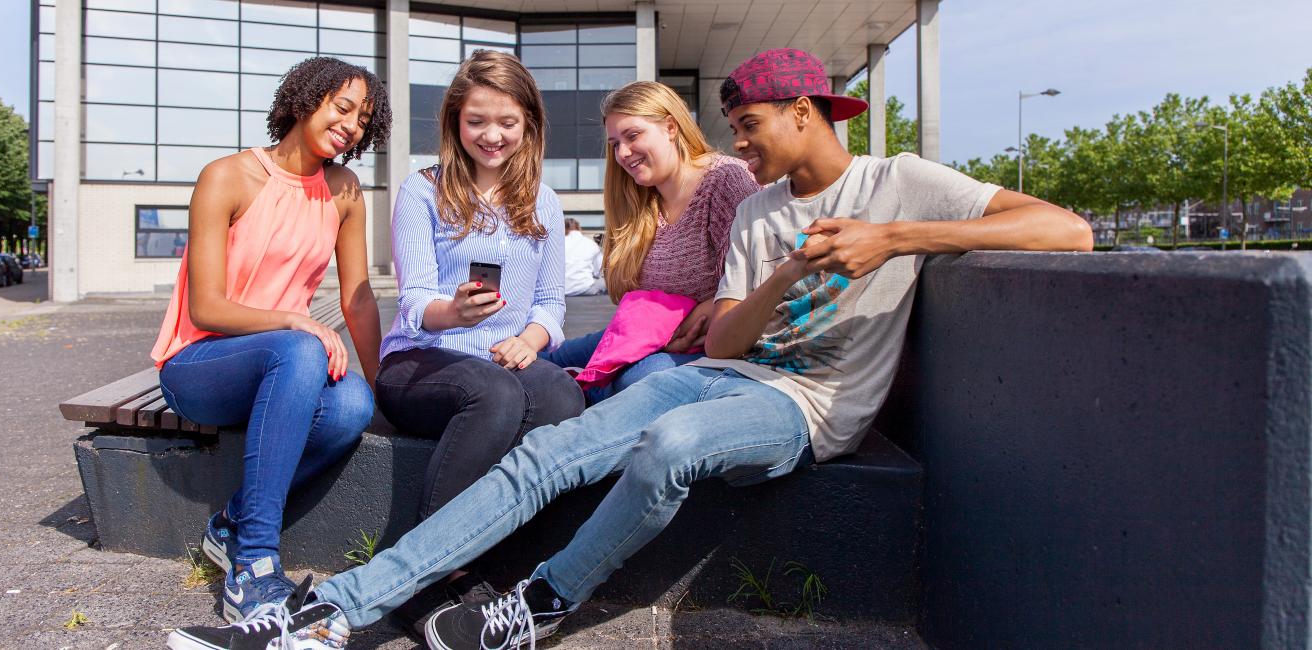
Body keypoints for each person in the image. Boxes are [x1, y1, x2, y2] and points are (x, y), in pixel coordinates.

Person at [165, 48, 1093, 650]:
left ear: (807, 111)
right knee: (550, 447)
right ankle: (335, 613)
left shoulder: (906, 181)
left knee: (666, 445)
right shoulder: (760, 207)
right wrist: (775, 282)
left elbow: (1069, 231)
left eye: (751, 127)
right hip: (732, 370)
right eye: (730, 132)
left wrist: (896, 240)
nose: (739, 148)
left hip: (812, 406)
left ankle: (539, 603)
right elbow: (727, 335)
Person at [149, 57, 391, 623]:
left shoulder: (344, 191)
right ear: (305, 99)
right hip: (200, 365)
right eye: (343, 106)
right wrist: (292, 321)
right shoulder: (226, 176)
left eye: (363, 119)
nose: (352, 124)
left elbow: (357, 296)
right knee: (302, 345)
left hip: (285, 363)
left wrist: (383, 388)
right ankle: (253, 565)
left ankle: (230, 525)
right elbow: (205, 306)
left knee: (352, 402)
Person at [368, 50, 585, 636]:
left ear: (530, 125)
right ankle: (427, 575)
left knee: (562, 398)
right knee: (493, 394)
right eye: (477, 121)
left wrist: (531, 340)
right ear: (454, 123)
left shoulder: (542, 200)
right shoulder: (422, 190)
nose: (492, 136)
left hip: (501, 357)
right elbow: (413, 299)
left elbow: (550, 306)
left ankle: (493, 553)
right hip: (420, 359)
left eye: (507, 123)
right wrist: (453, 311)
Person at [542, 81, 761, 403]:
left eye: (632, 136)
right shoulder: (642, 201)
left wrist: (706, 310)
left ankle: (577, 392)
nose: (623, 153)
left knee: (640, 380)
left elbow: (754, 284)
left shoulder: (726, 180)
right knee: (543, 361)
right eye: (615, 144)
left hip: (718, 349)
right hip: (648, 336)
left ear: (670, 127)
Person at [562, 218, 604, 296]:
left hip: (562, 290)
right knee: (605, 282)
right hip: (586, 288)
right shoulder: (590, 243)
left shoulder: (559, 244)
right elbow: (600, 270)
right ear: (579, 228)